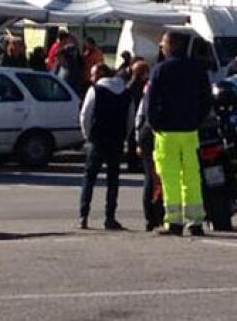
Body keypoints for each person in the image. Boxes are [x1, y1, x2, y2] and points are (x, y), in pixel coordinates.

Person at [147, 31, 212, 236]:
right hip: (190, 131)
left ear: (172, 45)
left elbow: (151, 101)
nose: (161, 47)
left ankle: (173, 221)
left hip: (167, 132)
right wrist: (198, 121)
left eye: (163, 44)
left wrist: (154, 124)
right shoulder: (197, 69)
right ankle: (195, 221)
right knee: (192, 176)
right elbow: (206, 99)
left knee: (170, 177)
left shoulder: (160, 70)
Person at [77, 64, 131, 230]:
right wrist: (125, 136)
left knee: (89, 178)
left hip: (98, 139)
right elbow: (130, 117)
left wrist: (87, 135)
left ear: (100, 74)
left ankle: (83, 215)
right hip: (116, 140)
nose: (91, 78)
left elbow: (85, 114)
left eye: (93, 74)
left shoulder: (95, 90)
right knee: (113, 179)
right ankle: (110, 217)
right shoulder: (125, 92)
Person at [130, 61, 163, 231]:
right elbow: (141, 115)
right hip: (152, 134)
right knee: (153, 177)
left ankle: (154, 216)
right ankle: (152, 216)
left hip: (150, 133)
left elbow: (139, 116)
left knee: (153, 177)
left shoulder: (150, 88)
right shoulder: (150, 89)